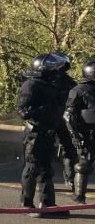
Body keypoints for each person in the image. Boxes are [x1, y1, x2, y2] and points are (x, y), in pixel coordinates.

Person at [17, 53, 70, 218]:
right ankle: (26, 204)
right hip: (35, 133)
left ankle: (47, 204)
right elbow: (23, 111)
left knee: (46, 169)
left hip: (48, 132)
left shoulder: (50, 85)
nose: (55, 71)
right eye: (52, 67)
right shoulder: (31, 85)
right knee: (31, 168)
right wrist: (43, 110)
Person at [63, 59, 95, 204]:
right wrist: (76, 136)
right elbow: (68, 116)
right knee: (83, 165)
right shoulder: (78, 91)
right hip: (87, 133)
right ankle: (79, 195)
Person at [50, 53, 79, 193]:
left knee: (68, 149)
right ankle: (69, 179)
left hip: (58, 118)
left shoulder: (66, 82)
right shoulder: (68, 82)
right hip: (58, 118)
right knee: (68, 149)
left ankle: (69, 178)